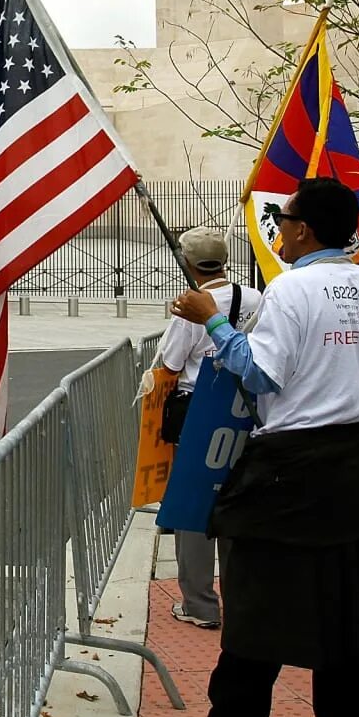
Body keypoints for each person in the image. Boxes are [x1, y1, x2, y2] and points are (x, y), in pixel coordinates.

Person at [166, 176, 359, 717]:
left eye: (282, 220)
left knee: (260, 592)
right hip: (352, 465)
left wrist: (213, 320)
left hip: (288, 466)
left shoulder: (292, 290)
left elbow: (259, 374)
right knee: (350, 600)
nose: (277, 230)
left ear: (303, 229)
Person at [156, 226, 262, 630]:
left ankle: (199, 603)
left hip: (197, 412)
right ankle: (239, 600)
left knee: (195, 510)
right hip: (242, 411)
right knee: (236, 504)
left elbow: (170, 362)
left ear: (187, 263)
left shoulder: (192, 305)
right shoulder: (253, 297)